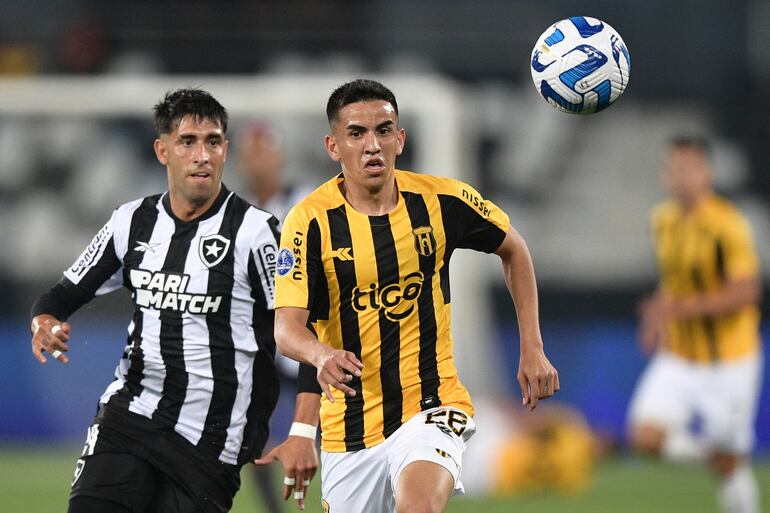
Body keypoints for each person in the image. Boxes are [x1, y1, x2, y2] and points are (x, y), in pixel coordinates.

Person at [257, 78, 559, 513]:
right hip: (350, 427)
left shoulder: (442, 200)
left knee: (417, 507)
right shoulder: (309, 222)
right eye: (356, 134)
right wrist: (322, 357)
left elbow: (514, 248)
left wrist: (532, 346)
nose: (372, 145)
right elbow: (287, 330)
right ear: (333, 146)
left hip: (431, 406)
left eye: (383, 130)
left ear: (400, 138)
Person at [29, 88, 317, 513]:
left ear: (224, 150)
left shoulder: (258, 234)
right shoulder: (131, 222)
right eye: (188, 142)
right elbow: (62, 294)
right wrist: (44, 322)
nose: (202, 154)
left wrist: (302, 432)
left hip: (211, 442)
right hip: (129, 418)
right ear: (162, 151)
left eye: (213, 141)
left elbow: (308, 333)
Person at [628, 136, 763, 513]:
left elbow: (746, 292)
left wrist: (680, 310)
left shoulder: (728, 225)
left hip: (731, 361)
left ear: (707, 173)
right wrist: (655, 317)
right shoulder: (663, 220)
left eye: (688, 168)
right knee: (646, 438)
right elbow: (671, 283)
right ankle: (713, 456)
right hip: (681, 356)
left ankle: (729, 470)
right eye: (673, 168)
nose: (680, 177)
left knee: (732, 472)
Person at [236, 122, 316, 513]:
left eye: (264, 150)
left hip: (310, 336)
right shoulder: (237, 212)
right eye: (251, 152)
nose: (258, 160)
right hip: (261, 341)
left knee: (338, 427)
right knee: (250, 432)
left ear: (280, 156)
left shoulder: (306, 203)